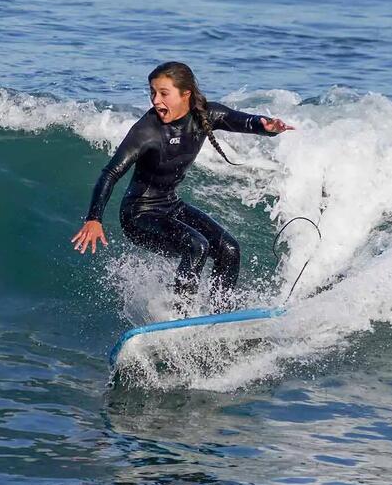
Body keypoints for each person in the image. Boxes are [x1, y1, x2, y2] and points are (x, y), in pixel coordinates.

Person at [71, 62, 294, 313]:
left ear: (185, 94)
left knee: (229, 249)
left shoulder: (205, 115)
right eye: (153, 93)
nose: (156, 100)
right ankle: (179, 317)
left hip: (170, 206)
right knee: (196, 245)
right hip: (139, 215)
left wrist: (268, 128)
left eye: (163, 93)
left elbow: (242, 121)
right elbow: (111, 172)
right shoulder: (146, 131)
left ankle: (222, 315)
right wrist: (94, 218)